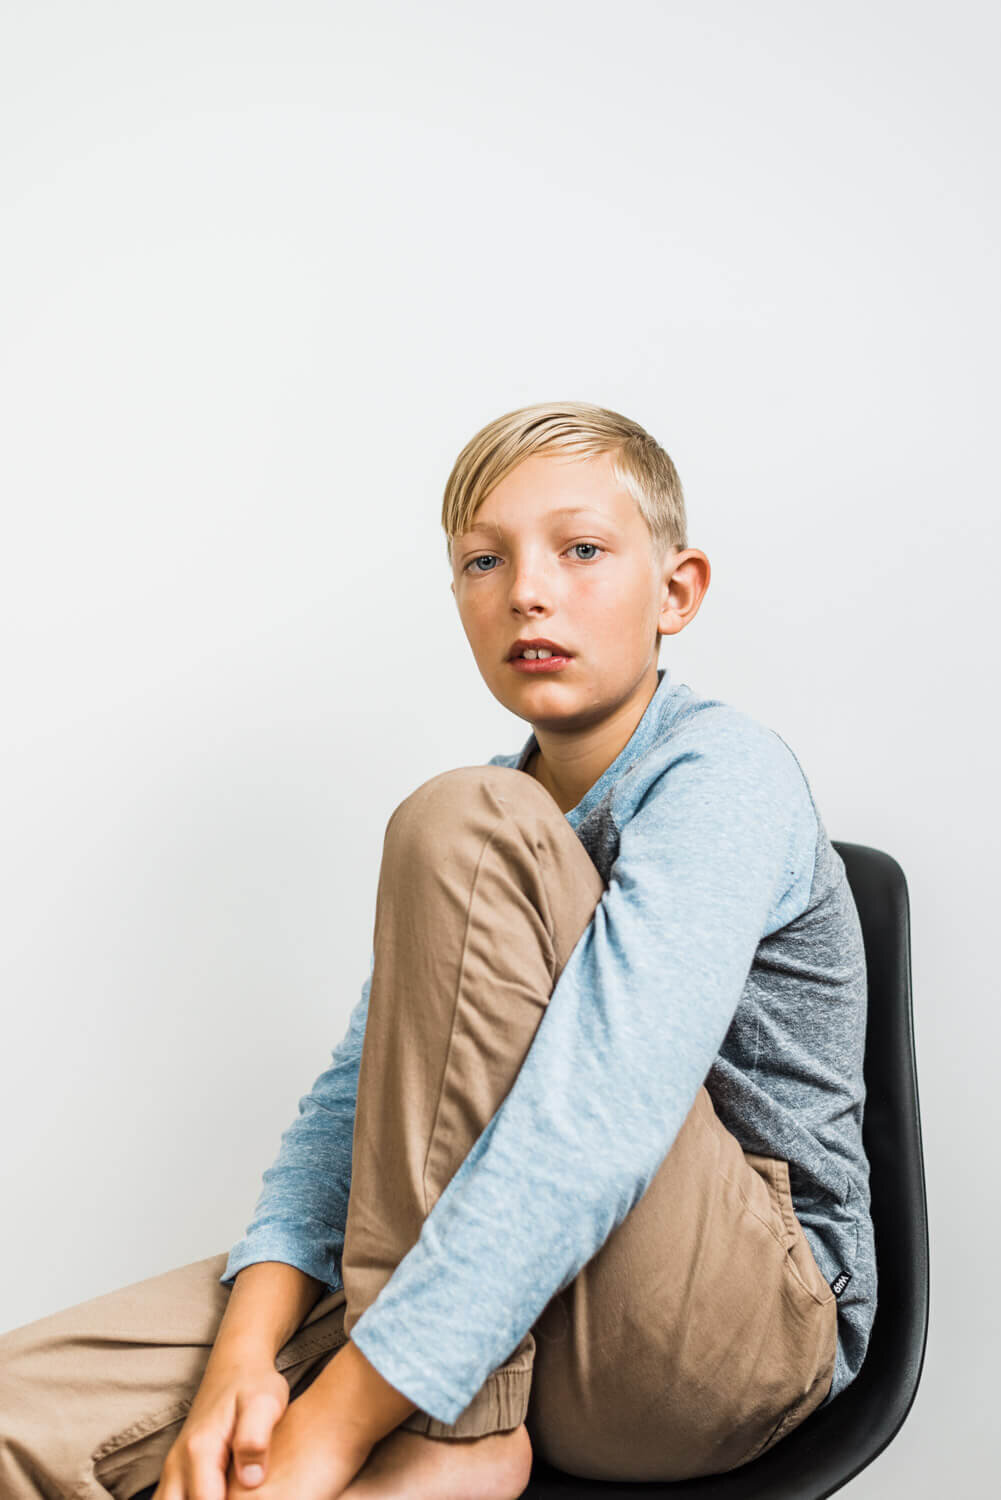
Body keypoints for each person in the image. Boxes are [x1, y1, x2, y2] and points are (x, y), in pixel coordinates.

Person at [0, 401, 876, 1499]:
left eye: (582, 550)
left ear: (676, 591)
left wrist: (332, 1422)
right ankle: (426, 1395)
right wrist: (241, 1362)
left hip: (720, 1339)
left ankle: (455, 1438)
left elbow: (598, 1113)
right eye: (481, 559)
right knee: (17, 1420)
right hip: (495, 1294)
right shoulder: (500, 813)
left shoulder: (717, 777)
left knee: (462, 823)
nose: (527, 591)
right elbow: (352, 1113)